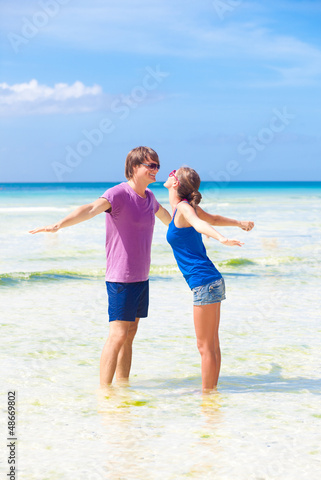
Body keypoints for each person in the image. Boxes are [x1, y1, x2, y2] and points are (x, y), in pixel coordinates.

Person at [29, 146, 171, 386]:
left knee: (130, 335)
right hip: (121, 279)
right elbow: (90, 209)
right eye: (151, 165)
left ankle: (123, 386)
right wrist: (58, 225)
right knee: (117, 335)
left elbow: (169, 219)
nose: (156, 170)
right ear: (135, 167)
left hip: (141, 278)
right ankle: (104, 392)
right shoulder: (118, 194)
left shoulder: (150, 198)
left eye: (157, 165)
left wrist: (197, 229)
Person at [164, 167, 254, 392]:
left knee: (205, 346)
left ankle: (207, 397)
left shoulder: (185, 208)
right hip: (210, 280)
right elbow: (212, 217)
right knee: (211, 344)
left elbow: (201, 224)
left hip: (204, 282)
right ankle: (212, 393)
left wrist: (221, 238)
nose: (169, 172)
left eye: (173, 172)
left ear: (176, 183)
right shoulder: (182, 209)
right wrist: (239, 222)